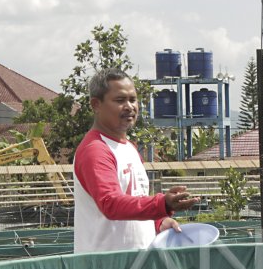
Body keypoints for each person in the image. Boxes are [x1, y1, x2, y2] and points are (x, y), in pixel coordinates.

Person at [73, 68, 199, 253]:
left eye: (133, 99)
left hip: (136, 265)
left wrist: (159, 222)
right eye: (120, 100)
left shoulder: (129, 148)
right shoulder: (95, 151)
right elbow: (111, 203)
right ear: (96, 105)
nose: (130, 106)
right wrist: (161, 204)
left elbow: (136, 199)